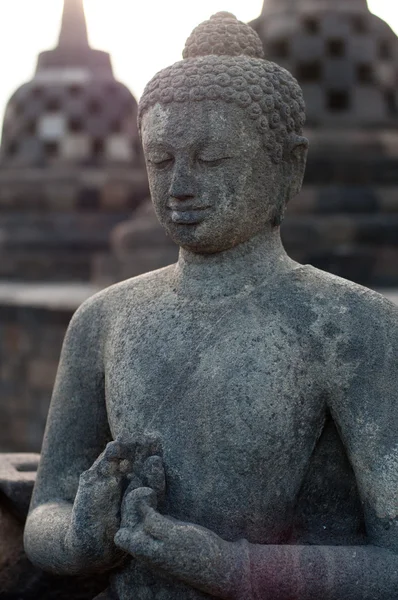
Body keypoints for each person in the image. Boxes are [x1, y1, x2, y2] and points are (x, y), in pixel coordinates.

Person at [24, 12, 398, 600]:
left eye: (213, 159)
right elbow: (45, 507)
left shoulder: (349, 328)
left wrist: (235, 569)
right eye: (161, 160)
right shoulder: (103, 320)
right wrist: (78, 538)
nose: (180, 188)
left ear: (288, 167)